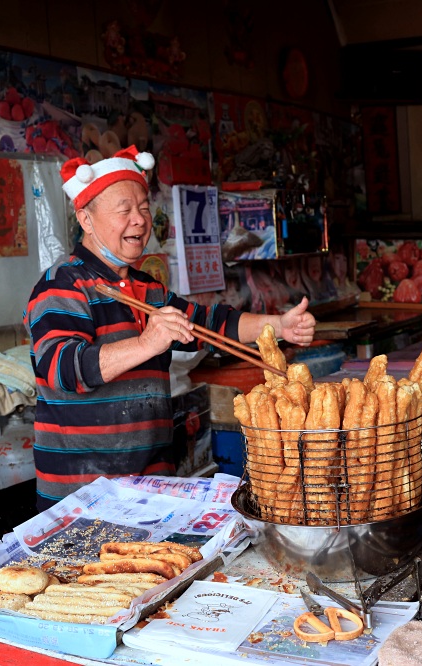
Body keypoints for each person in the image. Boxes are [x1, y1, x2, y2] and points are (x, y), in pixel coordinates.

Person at [24, 146, 316, 509]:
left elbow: (212, 324)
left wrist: (279, 325)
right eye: (125, 210)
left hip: (151, 486)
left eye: (144, 208)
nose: (140, 220)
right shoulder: (61, 286)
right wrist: (148, 343)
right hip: (83, 497)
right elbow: (62, 368)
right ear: (85, 219)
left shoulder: (151, 290)